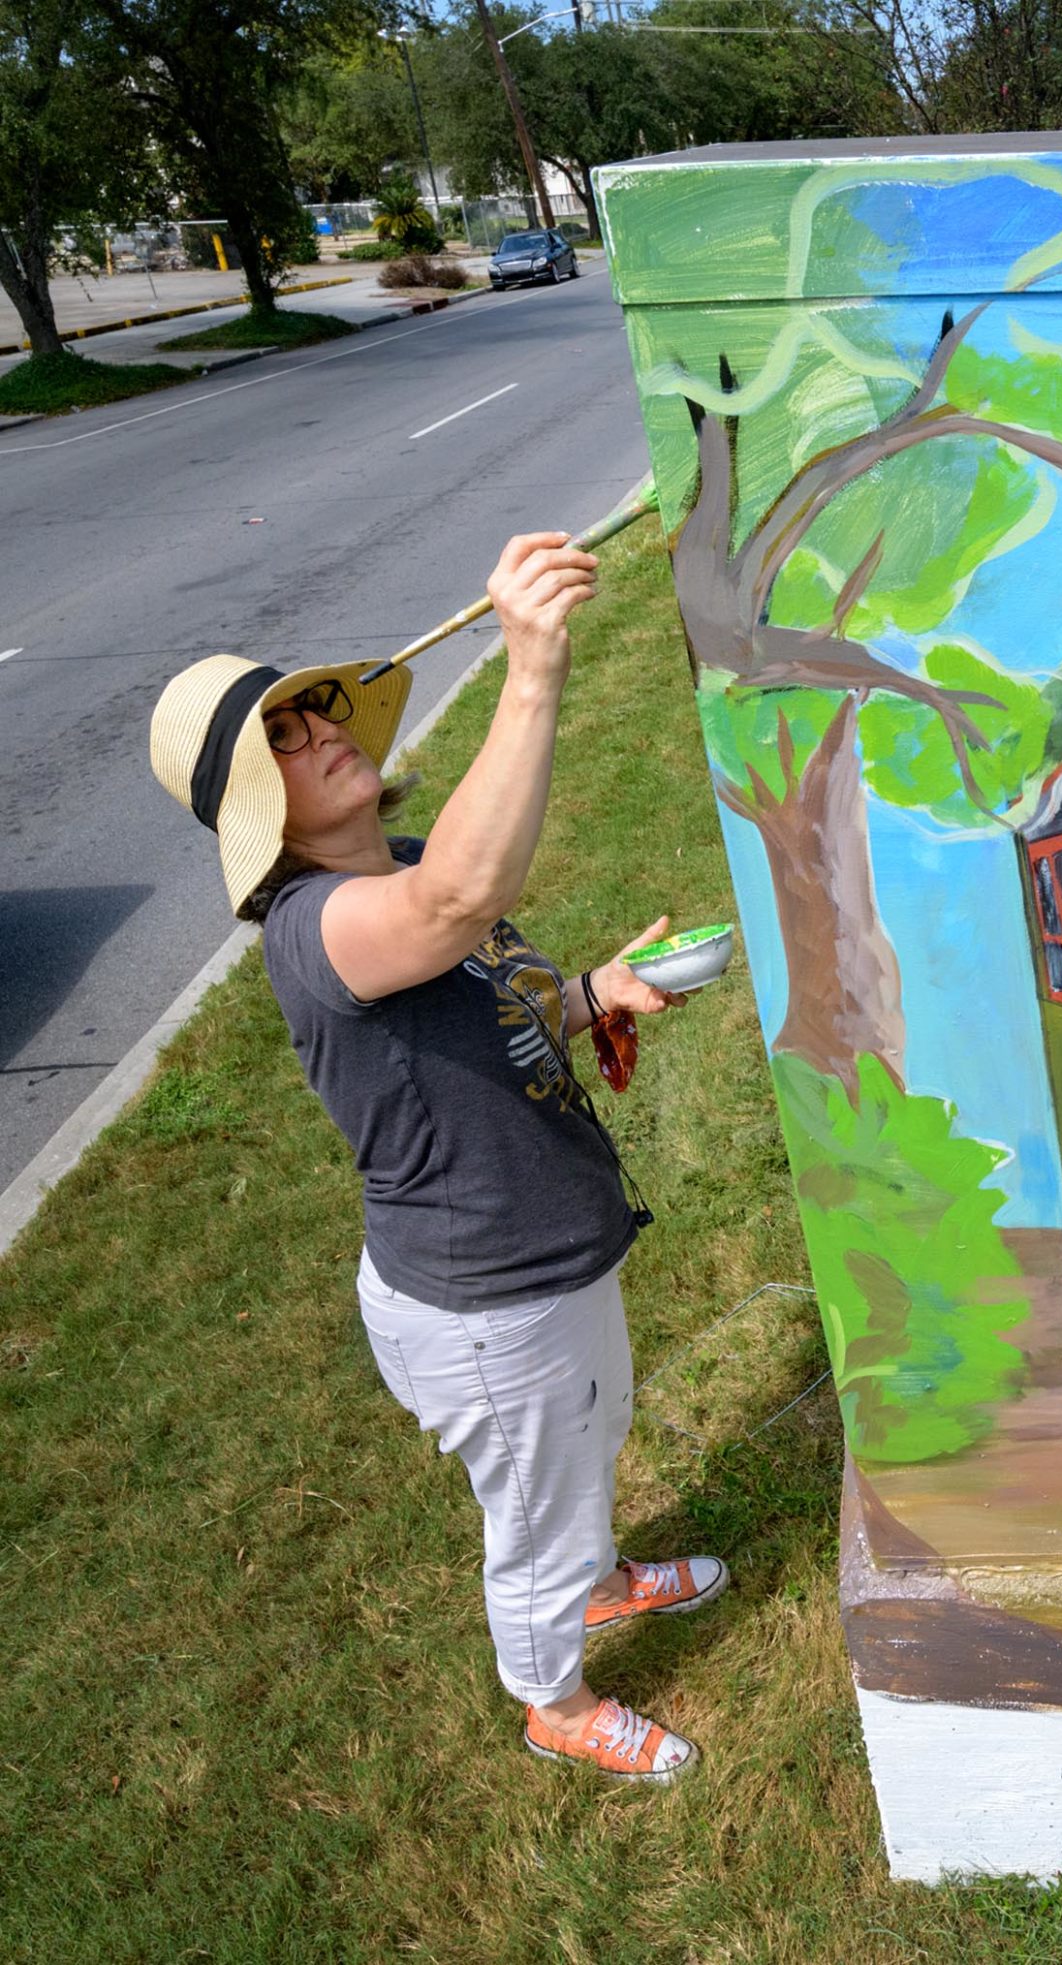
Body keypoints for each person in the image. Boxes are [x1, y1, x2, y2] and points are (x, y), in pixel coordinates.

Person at [148, 532, 725, 1784]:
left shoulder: (400, 868)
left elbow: (492, 1000)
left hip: (547, 1254)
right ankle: (553, 1700)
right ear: (261, 810)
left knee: (588, 1436)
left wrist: (594, 992)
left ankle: (606, 1579)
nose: (320, 731)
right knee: (532, 1510)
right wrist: (530, 668)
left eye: (312, 710)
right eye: (283, 741)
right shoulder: (318, 930)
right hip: (484, 1298)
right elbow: (458, 907)